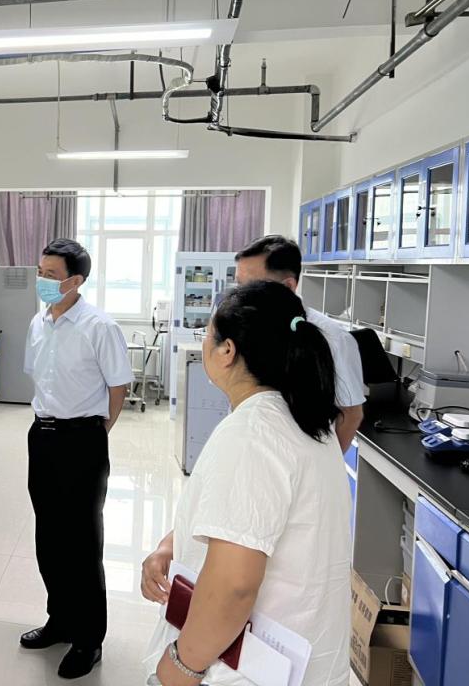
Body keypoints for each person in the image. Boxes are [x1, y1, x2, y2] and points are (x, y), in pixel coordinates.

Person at [140, 281, 350, 686]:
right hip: (303, 665)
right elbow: (249, 522)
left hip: (244, 671)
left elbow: (234, 586)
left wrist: (182, 666)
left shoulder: (253, 433)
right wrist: (171, 544)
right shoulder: (307, 421)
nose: (204, 343)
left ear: (227, 351)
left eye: (207, 334)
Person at [20, 238, 133, 680]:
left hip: (82, 439)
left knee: (82, 542)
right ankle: (60, 620)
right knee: (49, 536)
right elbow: (40, 379)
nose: (42, 280)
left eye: (51, 274)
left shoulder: (99, 326)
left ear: (76, 280)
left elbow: (118, 387)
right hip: (42, 436)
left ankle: (89, 639)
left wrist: (97, 433)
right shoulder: (38, 322)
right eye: (40, 272)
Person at [235, 235, 365, 452]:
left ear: (288, 286)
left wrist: (325, 464)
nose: (240, 296)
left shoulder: (334, 339)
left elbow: (351, 413)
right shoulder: (246, 329)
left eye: (252, 287)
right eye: (239, 285)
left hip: (301, 459)